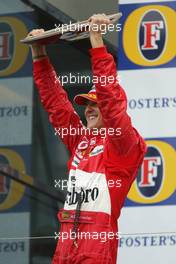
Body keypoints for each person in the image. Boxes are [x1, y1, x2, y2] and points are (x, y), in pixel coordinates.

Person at [29, 14, 146, 264]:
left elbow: (113, 103)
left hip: (95, 249)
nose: (89, 109)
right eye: (86, 105)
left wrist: (96, 40)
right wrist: (39, 54)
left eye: (96, 105)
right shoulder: (81, 140)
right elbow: (56, 105)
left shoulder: (125, 144)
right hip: (65, 248)